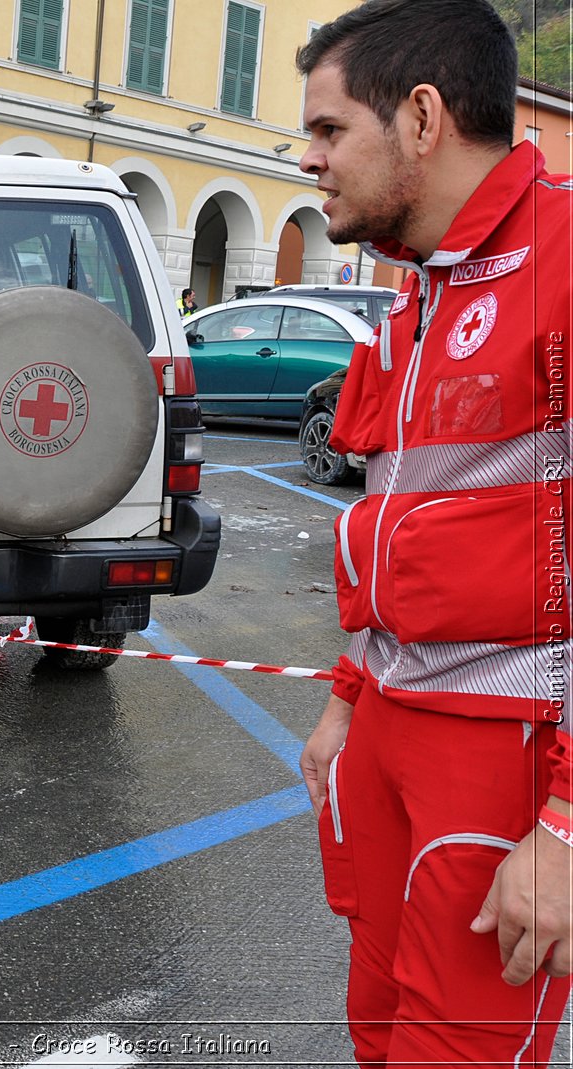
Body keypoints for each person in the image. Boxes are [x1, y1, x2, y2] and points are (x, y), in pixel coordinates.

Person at [294, 2, 573, 1063]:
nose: (309, 159)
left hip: (501, 754)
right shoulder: (414, 291)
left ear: (419, 118)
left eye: (328, 132)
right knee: (375, 1033)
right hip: (387, 733)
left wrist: (559, 831)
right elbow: (399, 523)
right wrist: (345, 696)